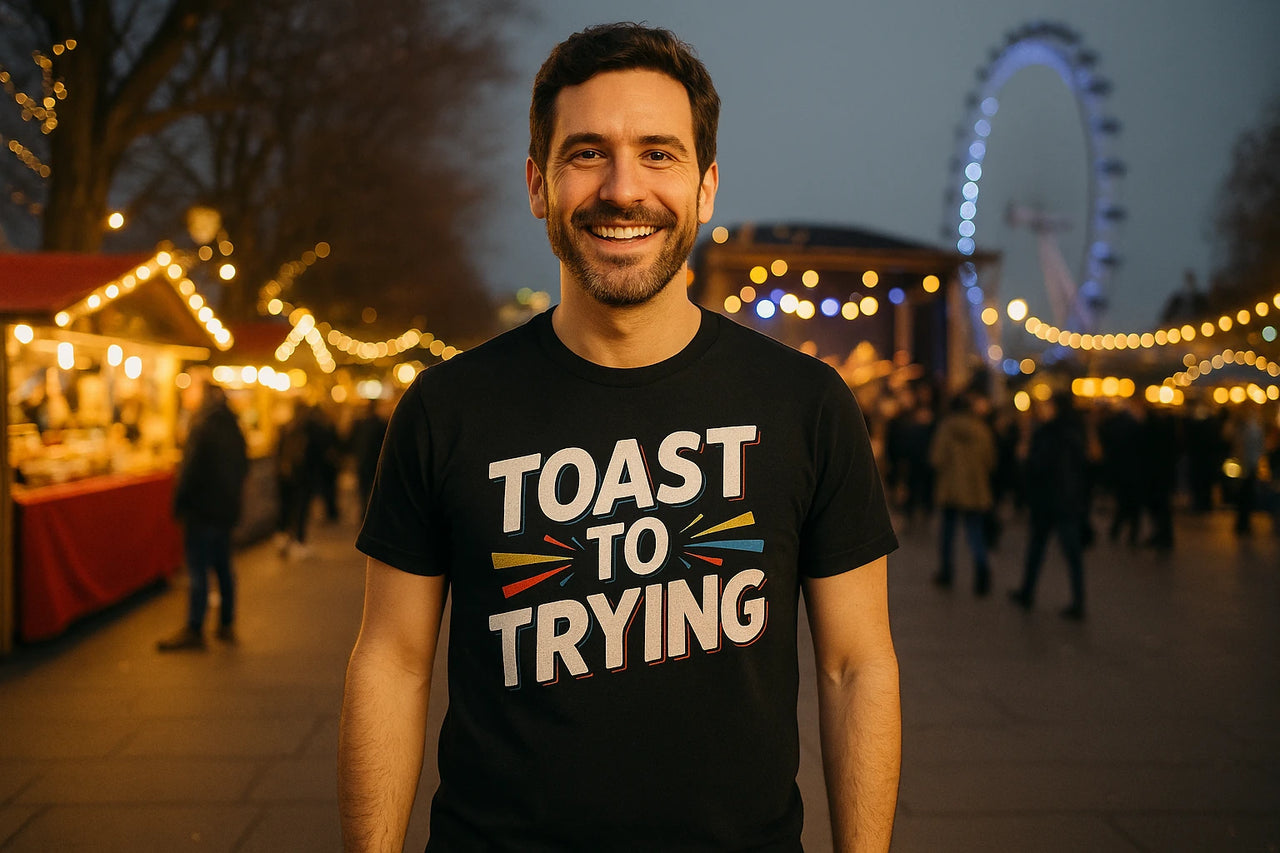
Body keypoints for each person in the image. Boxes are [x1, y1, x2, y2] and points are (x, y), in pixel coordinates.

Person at [339, 23, 901, 853]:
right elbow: (391, 661)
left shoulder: (807, 405)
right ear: (538, 184)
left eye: (660, 154)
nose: (623, 187)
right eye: (587, 152)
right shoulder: (446, 408)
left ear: (707, 187)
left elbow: (856, 667)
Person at [158, 372, 248, 651]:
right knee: (223, 567)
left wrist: (180, 504)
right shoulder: (232, 423)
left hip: (202, 509)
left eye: (189, 390)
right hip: (225, 509)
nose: (185, 396)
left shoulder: (202, 425)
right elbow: (244, 465)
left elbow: (190, 470)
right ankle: (226, 623)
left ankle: (195, 628)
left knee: (198, 569)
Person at [1009, 392, 1088, 620]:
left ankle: (1030, 592)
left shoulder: (1049, 434)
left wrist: (1025, 455)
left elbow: (1039, 466)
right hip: (1065, 501)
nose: (1042, 410)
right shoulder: (1072, 433)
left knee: (1045, 548)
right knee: (1063, 552)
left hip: (1051, 500)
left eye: (1047, 405)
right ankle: (1074, 599)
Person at [929, 391, 996, 595]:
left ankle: (947, 572)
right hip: (975, 489)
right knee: (975, 533)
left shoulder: (946, 428)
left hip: (951, 488)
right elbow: (991, 460)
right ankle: (982, 570)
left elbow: (936, 458)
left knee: (948, 534)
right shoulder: (981, 429)